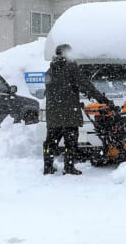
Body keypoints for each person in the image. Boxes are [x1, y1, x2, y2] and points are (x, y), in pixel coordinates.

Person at [43, 44, 112, 175]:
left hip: (53, 114)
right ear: (64, 54)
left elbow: (50, 91)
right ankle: (69, 167)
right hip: (69, 113)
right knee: (70, 142)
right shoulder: (71, 68)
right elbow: (86, 86)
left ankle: (48, 167)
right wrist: (103, 100)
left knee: (51, 142)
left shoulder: (49, 71)